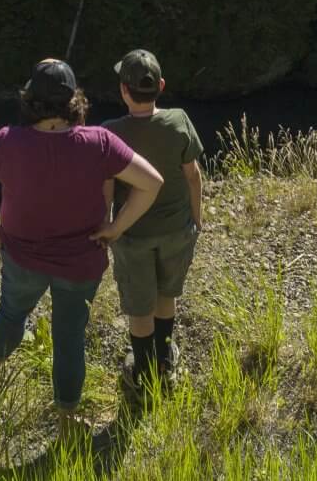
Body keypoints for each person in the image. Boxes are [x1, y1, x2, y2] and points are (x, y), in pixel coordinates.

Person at [0, 57, 165, 432]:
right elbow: (153, 183)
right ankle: (67, 421)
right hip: (80, 264)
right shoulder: (99, 142)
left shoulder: (6, 142)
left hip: (21, 258)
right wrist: (115, 228)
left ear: (31, 99)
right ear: (73, 101)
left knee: (11, 315)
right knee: (69, 337)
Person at [104, 49, 204, 390]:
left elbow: (105, 190)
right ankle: (165, 361)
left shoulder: (110, 133)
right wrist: (197, 218)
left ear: (123, 91)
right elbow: (193, 176)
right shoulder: (179, 120)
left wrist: (107, 227)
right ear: (160, 85)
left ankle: (144, 376)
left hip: (133, 235)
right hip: (178, 229)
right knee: (166, 293)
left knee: (139, 308)